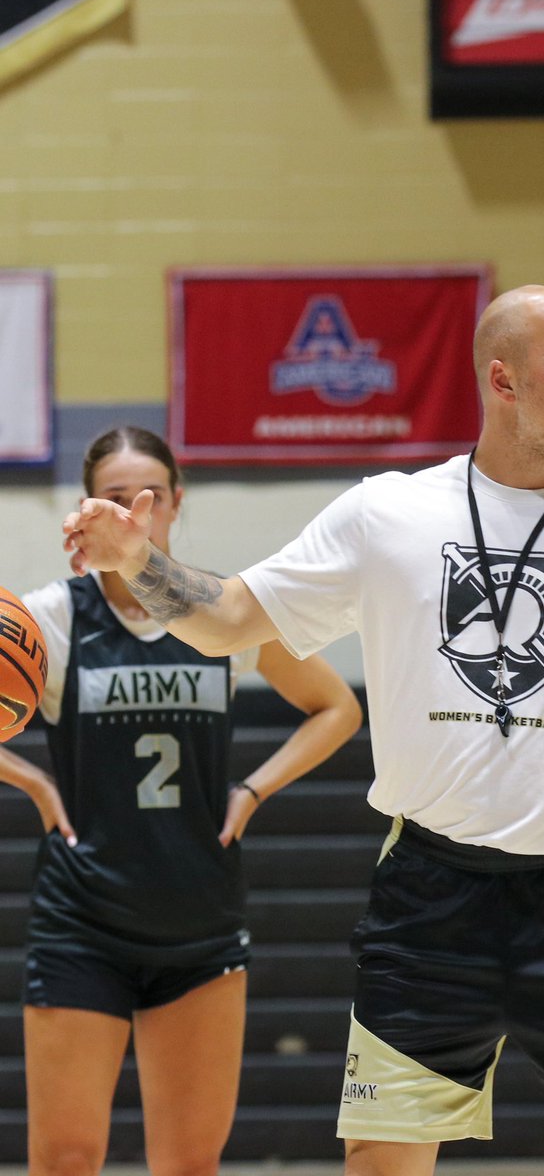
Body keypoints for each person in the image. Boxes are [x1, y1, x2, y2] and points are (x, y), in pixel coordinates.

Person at [62, 288, 544, 1176]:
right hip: (431, 896)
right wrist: (138, 562)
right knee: (380, 1162)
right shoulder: (386, 514)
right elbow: (229, 620)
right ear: (501, 378)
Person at [1, 426, 362, 1176]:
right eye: (114, 498)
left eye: (150, 498)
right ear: (86, 510)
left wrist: (255, 789)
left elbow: (339, 709)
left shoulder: (223, 614)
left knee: (189, 1163)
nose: (134, 512)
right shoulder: (55, 618)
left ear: (174, 505)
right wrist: (33, 779)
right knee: (65, 1159)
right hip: (83, 922)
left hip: (199, 920)